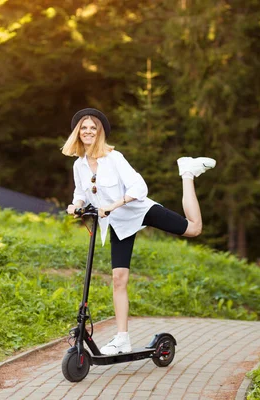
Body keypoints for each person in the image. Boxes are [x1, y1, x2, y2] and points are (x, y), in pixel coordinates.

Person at [62, 108, 216, 355]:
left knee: (194, 229)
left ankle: (187, 172)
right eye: (84, 128)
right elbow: (80, 194)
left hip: (138, 210)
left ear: (99, 133)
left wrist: (112, 205)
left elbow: (139, 187)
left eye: (93, 128)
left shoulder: (114, 158)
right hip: (118, 224)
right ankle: (122, 339)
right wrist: (76, 206)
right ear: (77, 132)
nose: (88, 131)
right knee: (118, 278)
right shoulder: (79, 166)